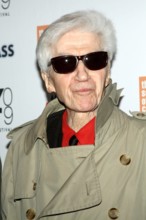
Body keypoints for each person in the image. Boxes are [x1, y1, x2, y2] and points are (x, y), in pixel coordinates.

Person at [2, 10, 146, 220]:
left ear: (107, 73)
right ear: (48, 80)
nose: (82, 74)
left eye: (94, 60)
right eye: (65, 63)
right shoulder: (22, 148)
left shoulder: (141, 142)